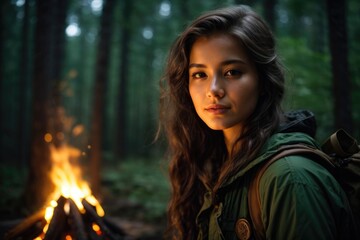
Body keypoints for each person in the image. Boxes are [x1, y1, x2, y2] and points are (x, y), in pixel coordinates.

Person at [158, 5, 357, 240]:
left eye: (232, 72)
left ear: (263, 79)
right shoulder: (222, 164)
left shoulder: (289, 178)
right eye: (200, 74)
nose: (213, 91)